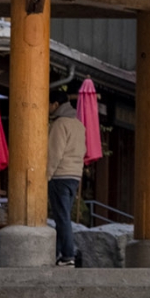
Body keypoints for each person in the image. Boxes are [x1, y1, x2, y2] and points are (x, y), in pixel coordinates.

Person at [46, 87, 86, 267]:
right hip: (74, 175)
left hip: (60, 175)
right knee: (64, 216)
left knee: (61, 217)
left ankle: (68, 255)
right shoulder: (78, 125)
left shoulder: (60, 124)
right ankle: (59, 254)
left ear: (55, 104)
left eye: (48, 104)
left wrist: (46, 175)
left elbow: (54, 153)